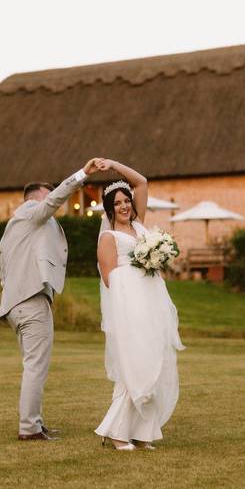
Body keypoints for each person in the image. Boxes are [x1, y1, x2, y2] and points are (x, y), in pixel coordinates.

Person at [0, 157, 103, 441]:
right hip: (31, 301)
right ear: (34, 199)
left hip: (15, 304)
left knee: (34, 365)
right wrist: (83, 174)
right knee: (36, 367)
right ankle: (29, 428)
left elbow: (3, 271)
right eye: (49, 197)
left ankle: (35, 422)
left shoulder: (13, 228)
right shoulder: (32, 210)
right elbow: (53, 200)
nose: (54, 207)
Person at [94, 159, 185, 451]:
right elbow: (110, 279)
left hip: (152, 305)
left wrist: (113, 165)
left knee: (154, 364)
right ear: (110, 209)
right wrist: (140, 265)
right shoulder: (109, 237)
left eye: (126, 201)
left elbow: (142, 182)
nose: (124, 206)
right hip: (130, 310)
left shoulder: (139, 226)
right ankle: (117, 432)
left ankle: (143, 432)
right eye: (117, 203)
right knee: (135, 367)